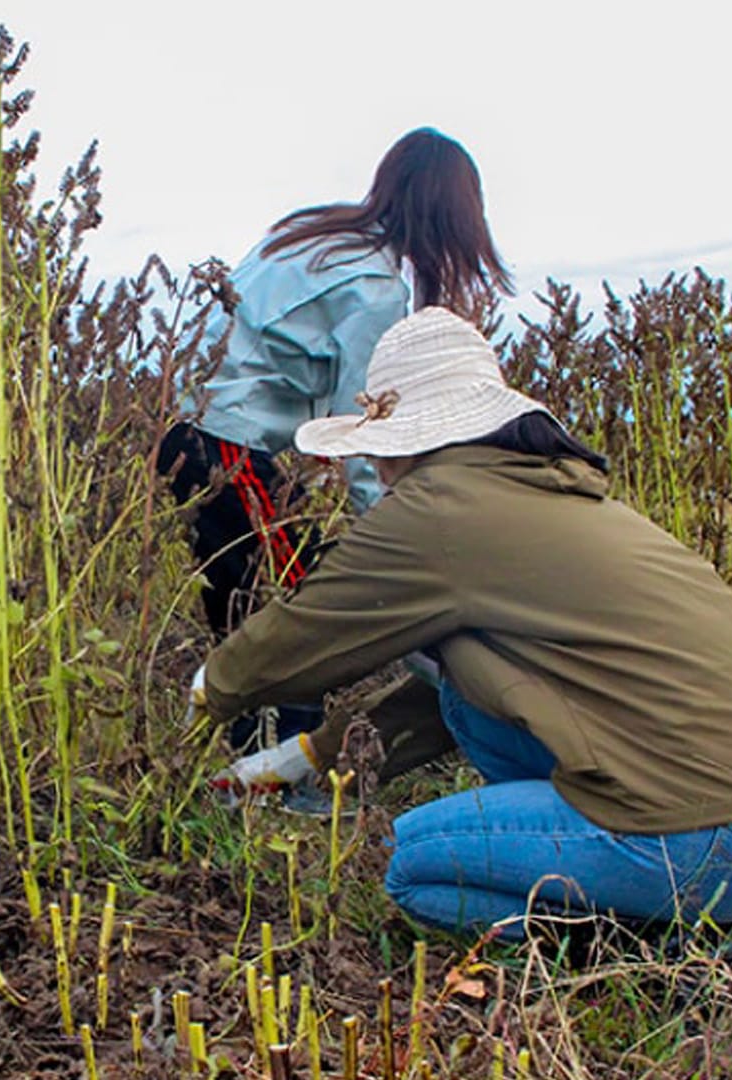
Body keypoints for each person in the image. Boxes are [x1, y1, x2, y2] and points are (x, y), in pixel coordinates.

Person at [197, 308, 732, 938]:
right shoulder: (547, 494)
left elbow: (302, 635)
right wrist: (300, 758)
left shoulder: (438, 512)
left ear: (410, 438)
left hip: (722, 833)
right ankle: (652, 890)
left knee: (418, 866)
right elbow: (451, 695)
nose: (371, 467)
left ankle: (661, 947)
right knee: (469, 707)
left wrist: (203, 695)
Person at [160, 126, 510, 773]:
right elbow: (364, 438)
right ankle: (274, 785)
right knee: (308, 614)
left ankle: (233, 769)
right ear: (452, 218)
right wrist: (401, 538)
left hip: (186, 431)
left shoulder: (313, 234)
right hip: (229, 445)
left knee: (248, 609)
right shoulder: (376, 292)